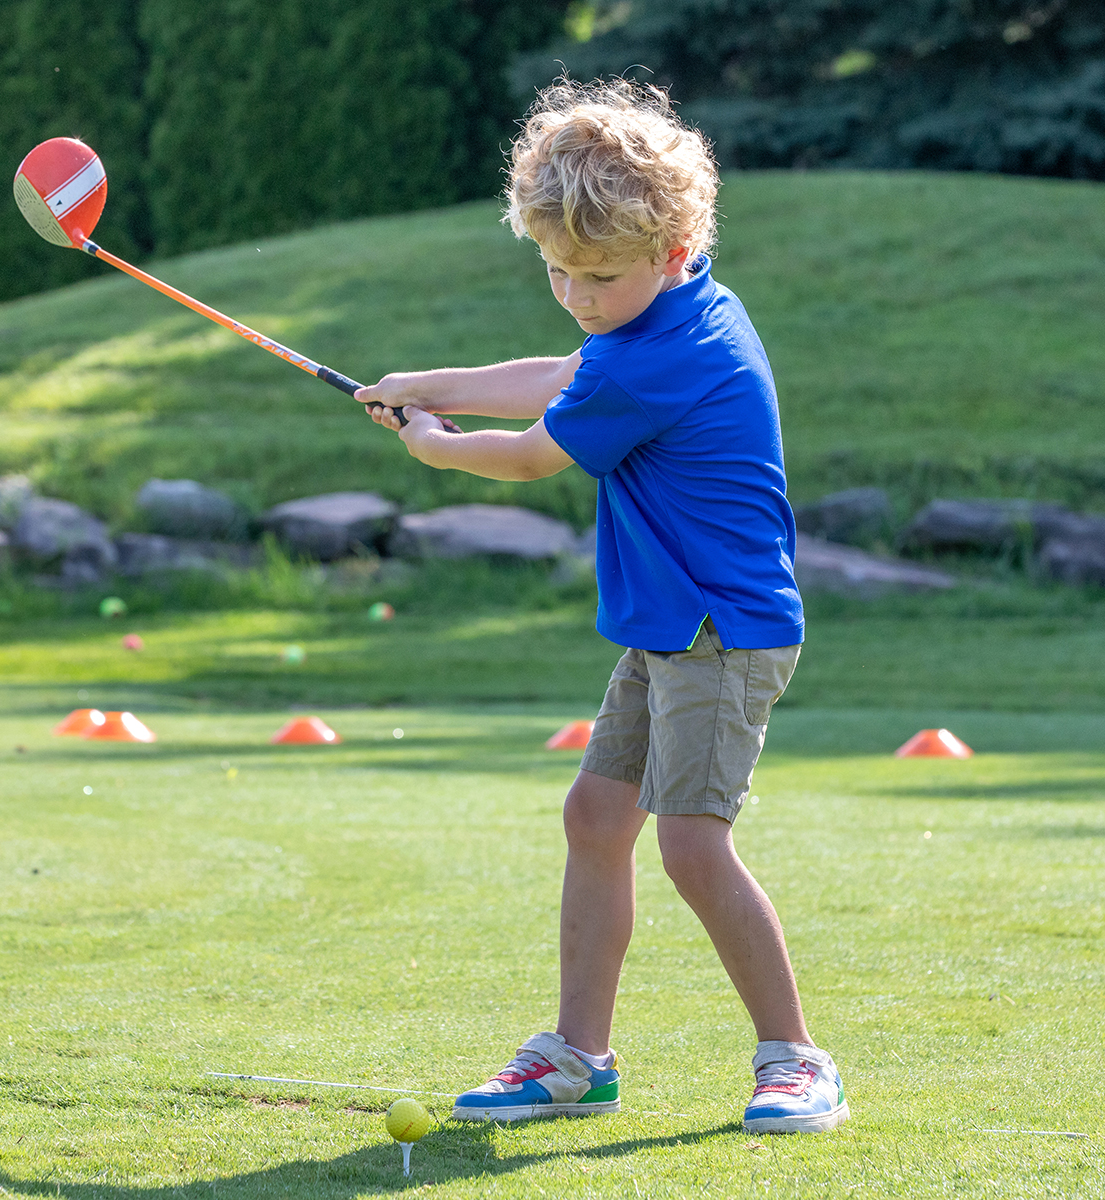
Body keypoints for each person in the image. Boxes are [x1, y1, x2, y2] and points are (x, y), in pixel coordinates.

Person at [353, 78, 844, 1136]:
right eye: (557, 270)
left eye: (599, 276)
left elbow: (537, 452)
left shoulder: (667, 350)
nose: (577, 294)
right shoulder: (670, 307)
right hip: (669, 624)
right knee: (596, 817)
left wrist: (432, 444)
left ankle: (797, 1059)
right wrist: (428, 384)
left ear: (671, 249)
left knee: (692, 846)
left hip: (721, 630)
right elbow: (564, 372)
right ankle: (578, 1059)